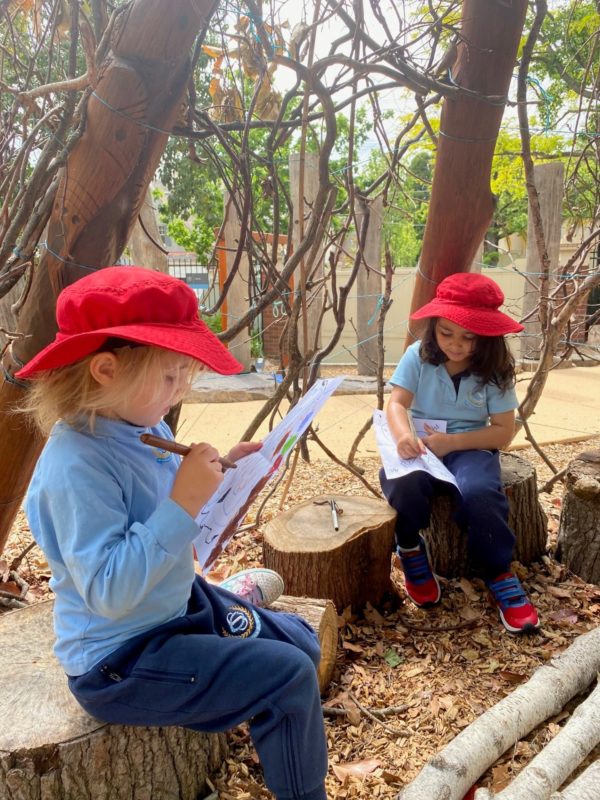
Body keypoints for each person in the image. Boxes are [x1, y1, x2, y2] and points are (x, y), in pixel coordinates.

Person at [17, 266, 329, 800]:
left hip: (176, 604)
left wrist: (228, 477)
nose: (182, 388)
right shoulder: (76, 464)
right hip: (122, 658)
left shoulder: (142, 425)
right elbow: (110, 591)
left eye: (186, 373)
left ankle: (232, 602)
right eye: (170, 376)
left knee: (302, 641)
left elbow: (175, 519)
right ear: (106, 370)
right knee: (289, 677)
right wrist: (184, 500)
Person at [380, 272, 540, 635]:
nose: (455, 344)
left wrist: (452, 443)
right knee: (402, 484)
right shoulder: (417, 356)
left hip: (470, 445)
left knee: (480, 493)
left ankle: (498, 571)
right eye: (446, 333)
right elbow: (396, 403)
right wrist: (403, 435)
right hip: (421, 443)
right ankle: (410, 547)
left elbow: (502, 431)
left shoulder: (496, 370)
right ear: (434, 327)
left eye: (469, 337)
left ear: (487, 336)